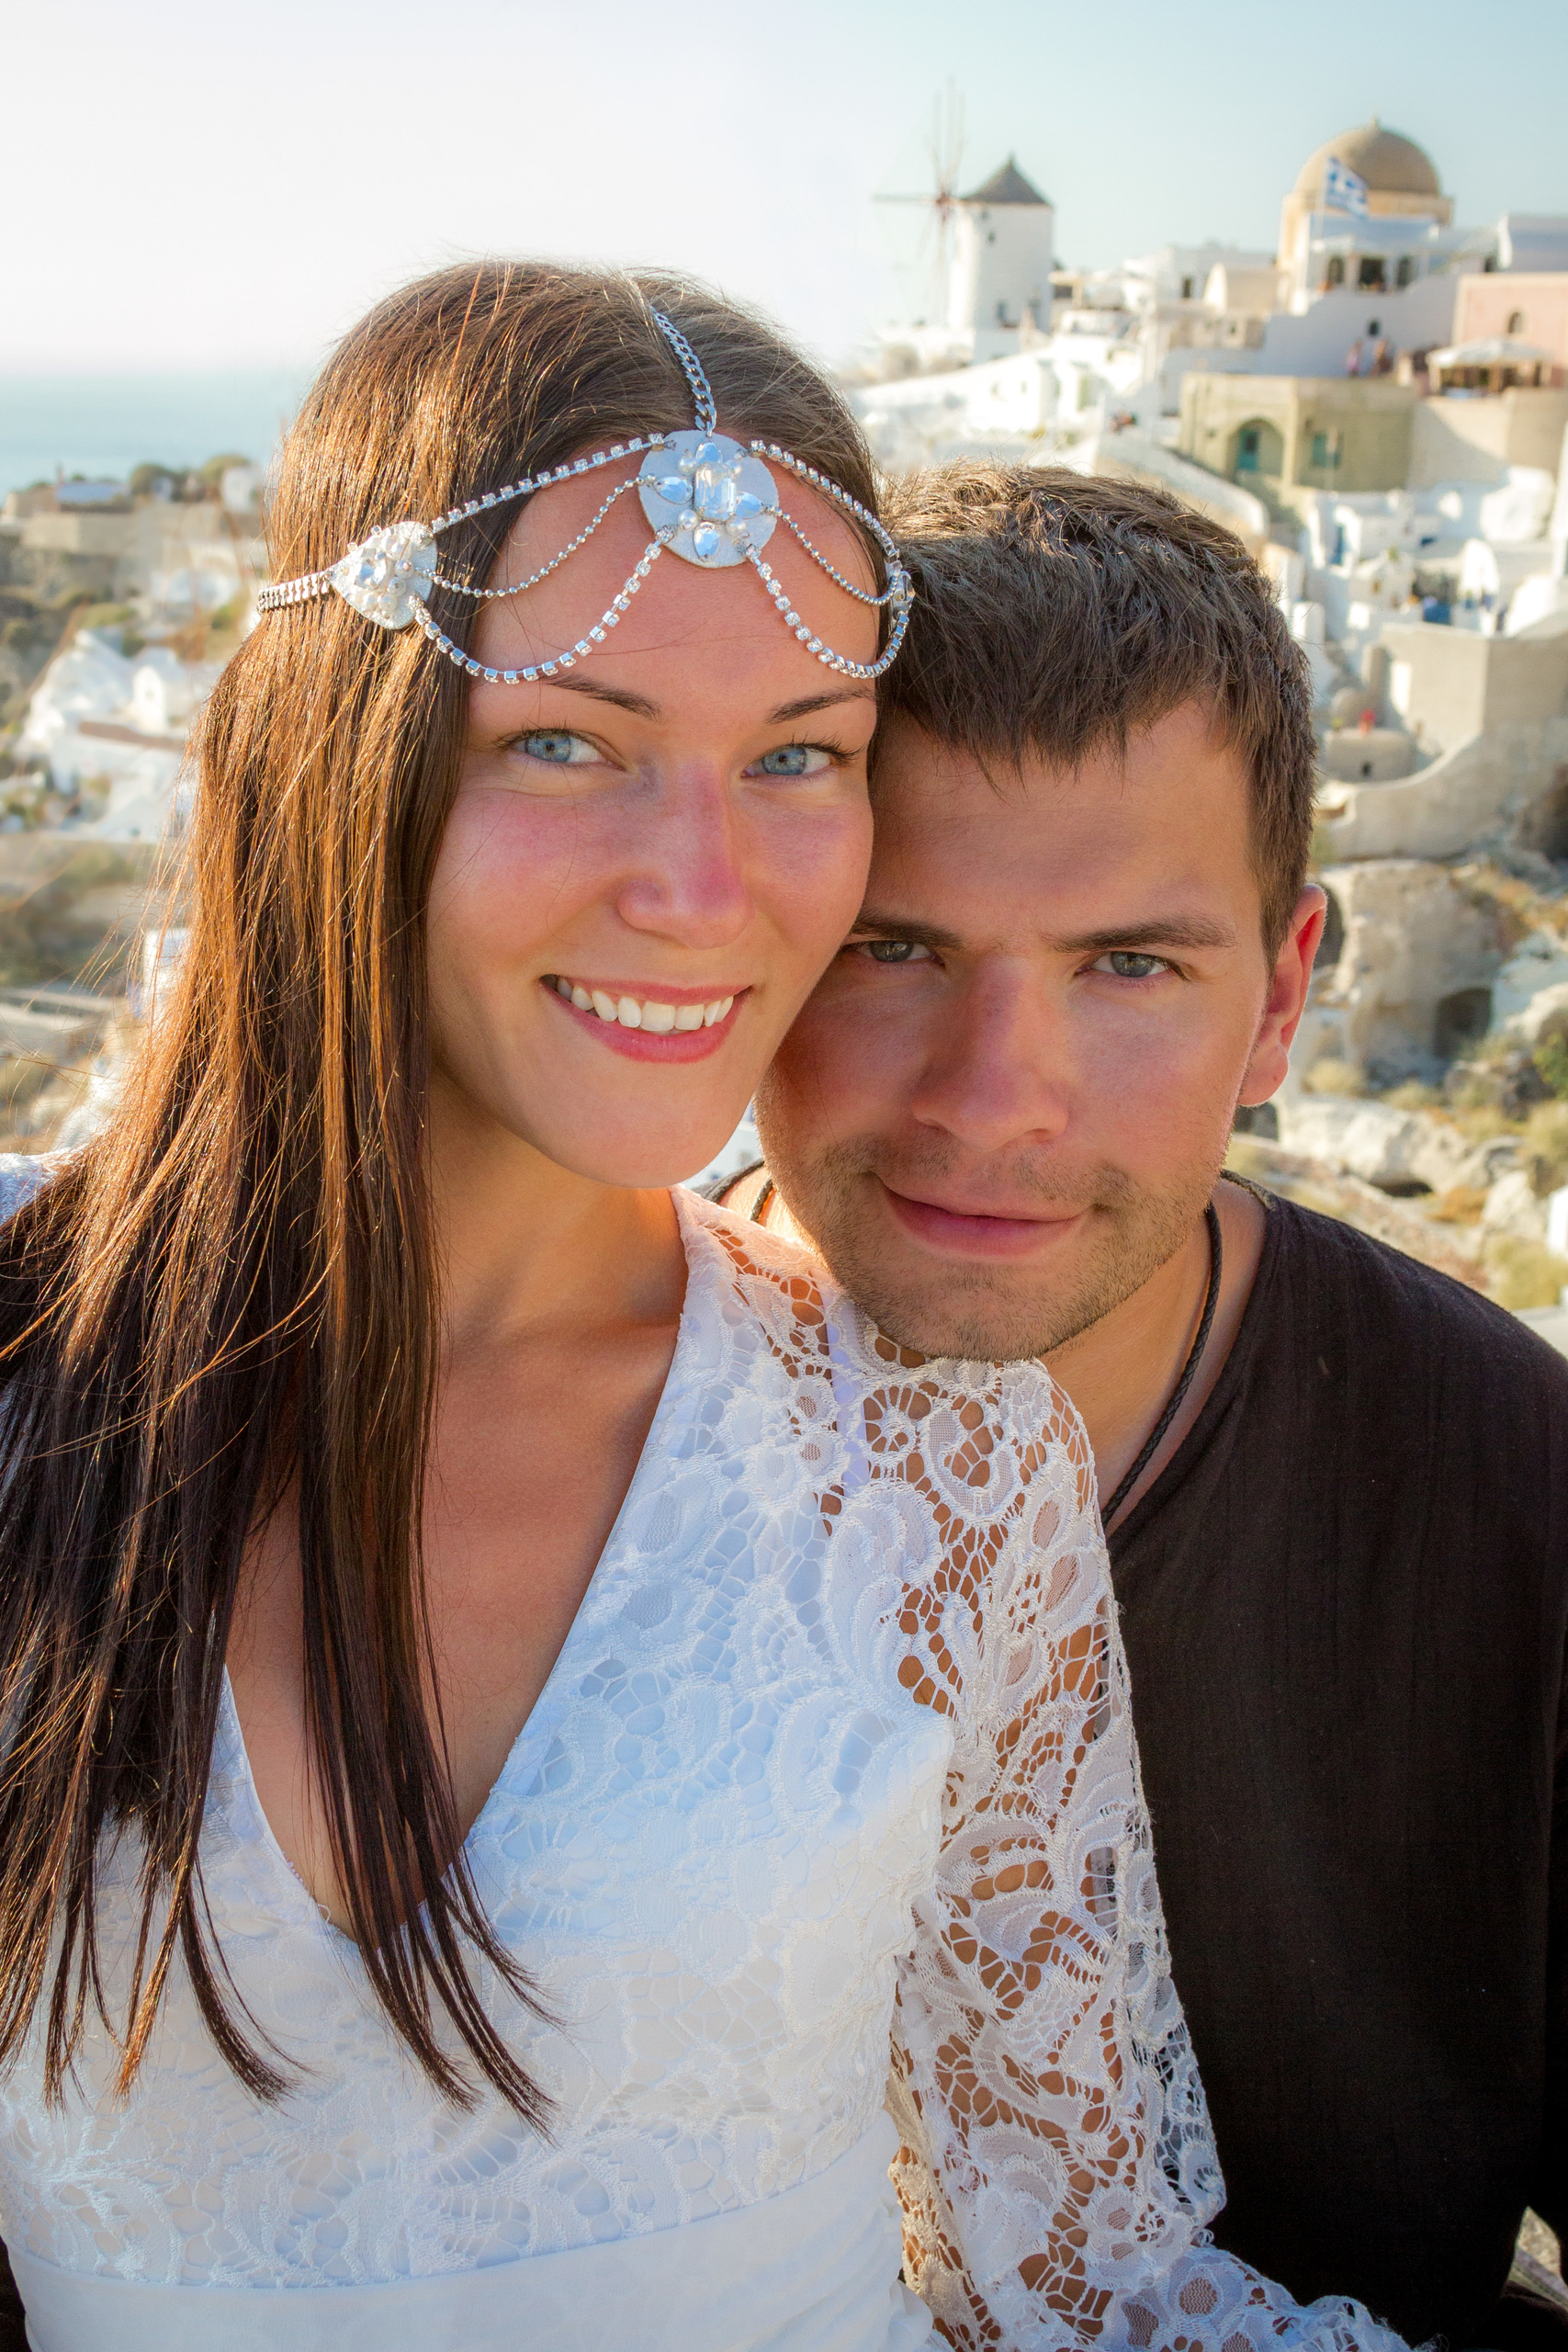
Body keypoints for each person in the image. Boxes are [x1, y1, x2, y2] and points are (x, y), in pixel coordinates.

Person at [0, 271, 1409, 2352]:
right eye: (567, 739)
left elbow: (1081, 2275)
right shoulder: (24, 1354)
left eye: (800, 756)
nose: (703, 886)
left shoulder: (930, 1464)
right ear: (335, 757)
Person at [723, 463, 1568, 2352]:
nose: (993, 1098)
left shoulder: (1519, 1492)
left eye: (1128, 967)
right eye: (889, 947)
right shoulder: (512, 1441)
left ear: (1278, 999)